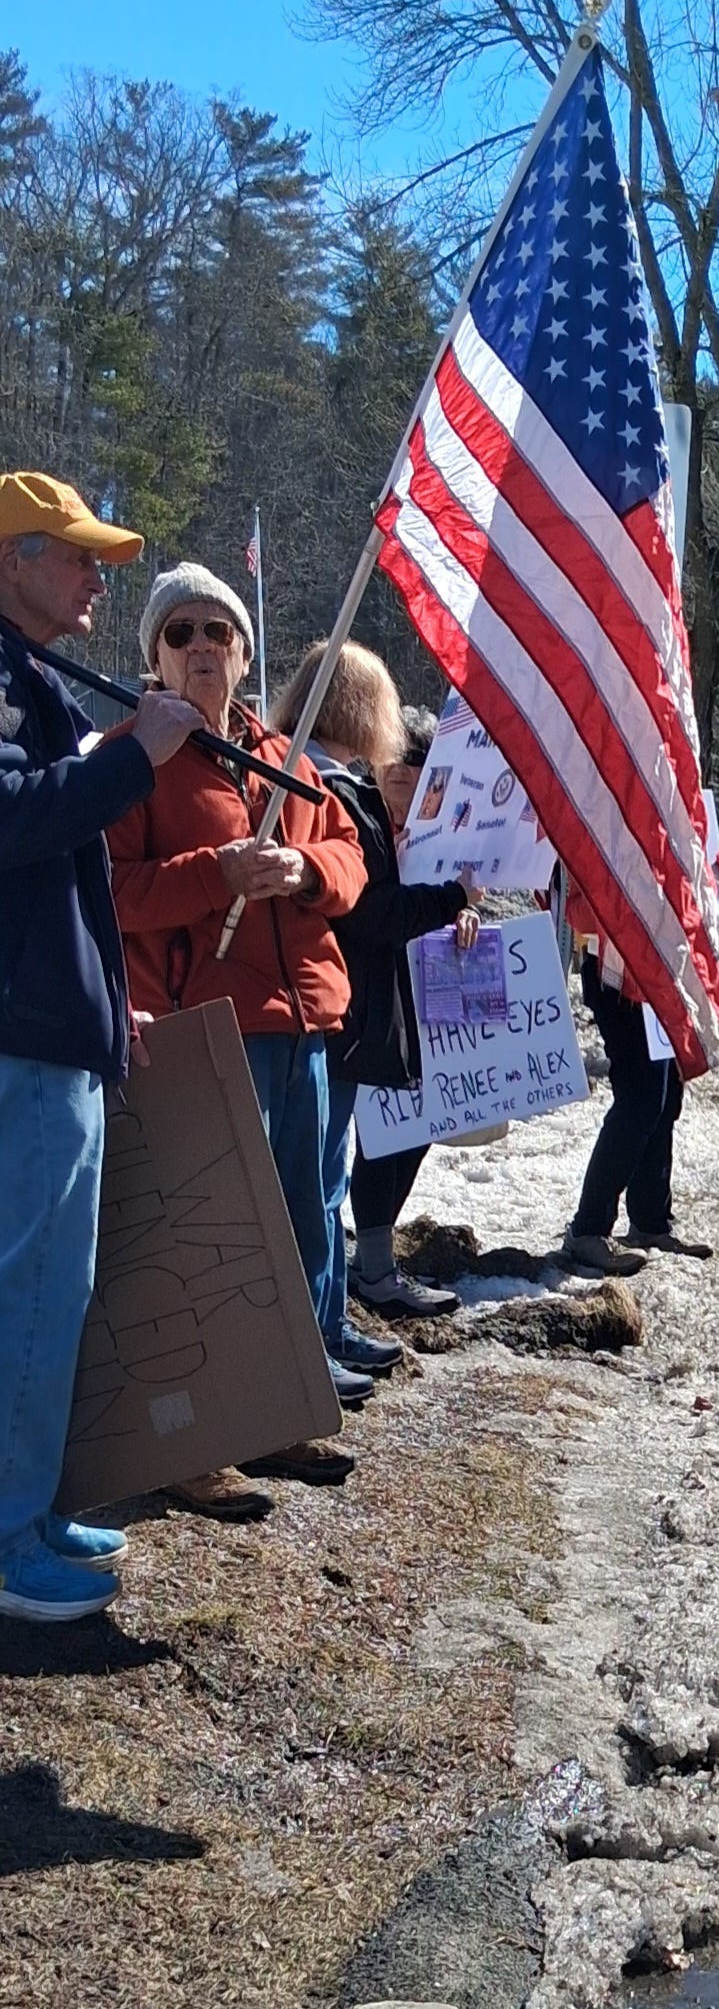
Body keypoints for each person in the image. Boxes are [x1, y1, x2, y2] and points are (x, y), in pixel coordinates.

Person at [105, 563, 370, 1517]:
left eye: (218, 630)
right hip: (204, 1032)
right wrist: (214, 874)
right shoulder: (132, 758)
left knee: (302, 1220)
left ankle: (279, 1410)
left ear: (245, 652)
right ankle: (199, 1440)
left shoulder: (283, 752)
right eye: (180, 633)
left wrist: (304, 870)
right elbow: (114, 894)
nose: (202, 647)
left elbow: (351, 857)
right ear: (155, 655)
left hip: (304, 1023)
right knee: (213, 1241)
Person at [0, 473, 202, 1621]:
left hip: (49, 1025)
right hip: (21, 1039)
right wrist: (134, 761)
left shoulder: (30, 675)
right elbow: (12, 818)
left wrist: (99, 996)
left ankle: (26, 1505)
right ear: (13, 559)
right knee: (29, 1288)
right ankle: (7, 1535)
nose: (96, 578)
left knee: (50, 1285)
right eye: (76, 555)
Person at [271, 653, 480, 1331]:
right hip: (340, 1006)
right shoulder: (334, 792)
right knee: (321, 1179)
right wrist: (449, 898)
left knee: (330, 1173)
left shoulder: (320, 782)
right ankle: (323, 1330)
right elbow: (368, 910)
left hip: (348, 1003)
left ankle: (333, 1320)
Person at [561, 884, 712, 1274]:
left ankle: (650, 1220)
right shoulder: (591, 840)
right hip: (615, 975)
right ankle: (588, 1228)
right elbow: (574, 908)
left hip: (657, 969)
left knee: (665, 1094)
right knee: (640, 1099)